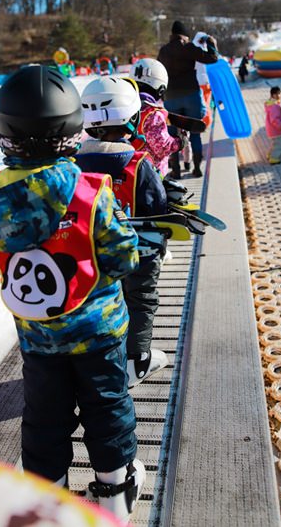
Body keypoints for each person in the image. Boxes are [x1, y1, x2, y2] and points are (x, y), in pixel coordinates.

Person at [0, 65, 145, 524]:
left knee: (44, 418)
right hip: (100, 332)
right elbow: (124, 257)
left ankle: (48, 499)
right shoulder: (91, 191)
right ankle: (115, 492)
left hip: (39, 338)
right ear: (72, 131)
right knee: (108, 406)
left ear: (4, 134)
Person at [76, 76, 169, 388]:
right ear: (131, 116)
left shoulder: (73, 164)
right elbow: (156, 208)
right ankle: (136, 361)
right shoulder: (138, 163)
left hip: (91, 256)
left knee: (98, 303)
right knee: (141, 300)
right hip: (138, 252)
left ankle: (97, 359)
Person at [158, 20, 218, 178]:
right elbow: (212, 58)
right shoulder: (188, 47)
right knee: (195, 133)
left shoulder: (164, 51)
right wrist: (211, 43)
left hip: (171, 97)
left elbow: (158, 72)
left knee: (172, 135)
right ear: (184, 35)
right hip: (191, 95)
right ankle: (196, 169)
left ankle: (176, 171)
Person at [129, 57, 185, 175]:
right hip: (151, 173)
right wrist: (179, 142)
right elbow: (162, 147)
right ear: (160, 90)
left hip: (130, 170)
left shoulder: (126, 108)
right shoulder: (153, 114)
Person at [264, 86, 281, 164]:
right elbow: (274, 119)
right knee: (279, 144)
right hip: (276, 129)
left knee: (275, 144)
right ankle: (274, 158)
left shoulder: (270, 104)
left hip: (271, 129)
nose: (280, 96)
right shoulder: (274, 106)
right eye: (279, 94)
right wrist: (280, 125)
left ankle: (270, 155)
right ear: (274, 95)